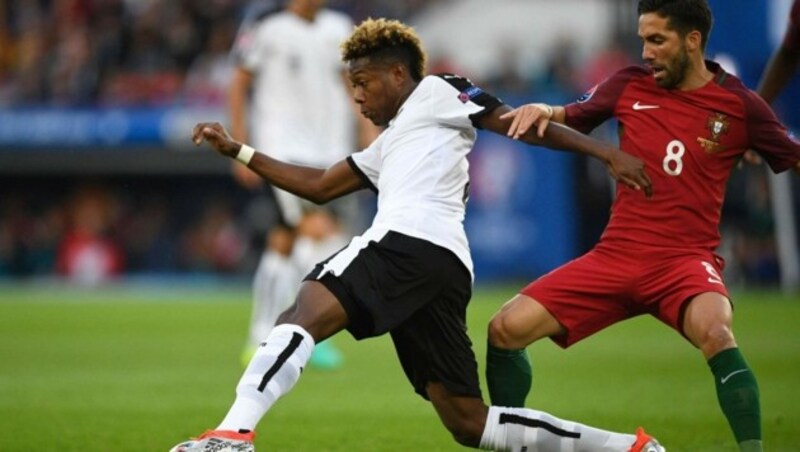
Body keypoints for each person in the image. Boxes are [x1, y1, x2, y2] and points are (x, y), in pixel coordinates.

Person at [170, 17, 663, 452]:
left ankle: (230, 436)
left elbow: (520, 124)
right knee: (469, 422)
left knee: (302, 311)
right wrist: (239, 150)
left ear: (399, 74)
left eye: (363, 82)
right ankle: (629, 448)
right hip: (443, 269)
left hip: (404, 243)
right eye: (351, 86)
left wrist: (605, 153)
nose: (357, 96)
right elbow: (320, 186)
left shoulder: (439, 90)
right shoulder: (391, 142)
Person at [485, 1, 800, 452]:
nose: (646, 52)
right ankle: (513, 442)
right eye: (643, 40)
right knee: (504, 329)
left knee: (716, 332)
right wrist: (543, 109)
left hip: (684, 263)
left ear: (692, 41)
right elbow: (572, 115)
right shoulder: (628, 85)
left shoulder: (740, 106)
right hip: (615, 256)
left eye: (657, 40)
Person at [228, 0, 378, 369]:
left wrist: (368, 131)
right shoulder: (266, 25)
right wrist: (241, 144)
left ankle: (286, 332)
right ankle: (281, 334)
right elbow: (239, 83)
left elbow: (351, 84)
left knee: (304, 239)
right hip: (282, 150)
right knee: (304, 229)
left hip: (329, 150)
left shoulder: (339, 27)